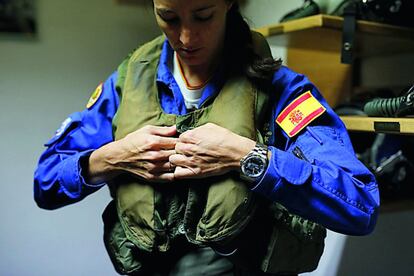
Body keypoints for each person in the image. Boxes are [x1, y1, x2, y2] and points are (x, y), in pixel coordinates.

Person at [34, 0, 380, 275]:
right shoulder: (127, 82)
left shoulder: (281, 90)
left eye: (203, 16)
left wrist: (249, 157)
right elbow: (45, 183)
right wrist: (111, 158)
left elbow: (360, 206)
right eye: (168, 17)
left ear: (229, 4)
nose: (185, 37)